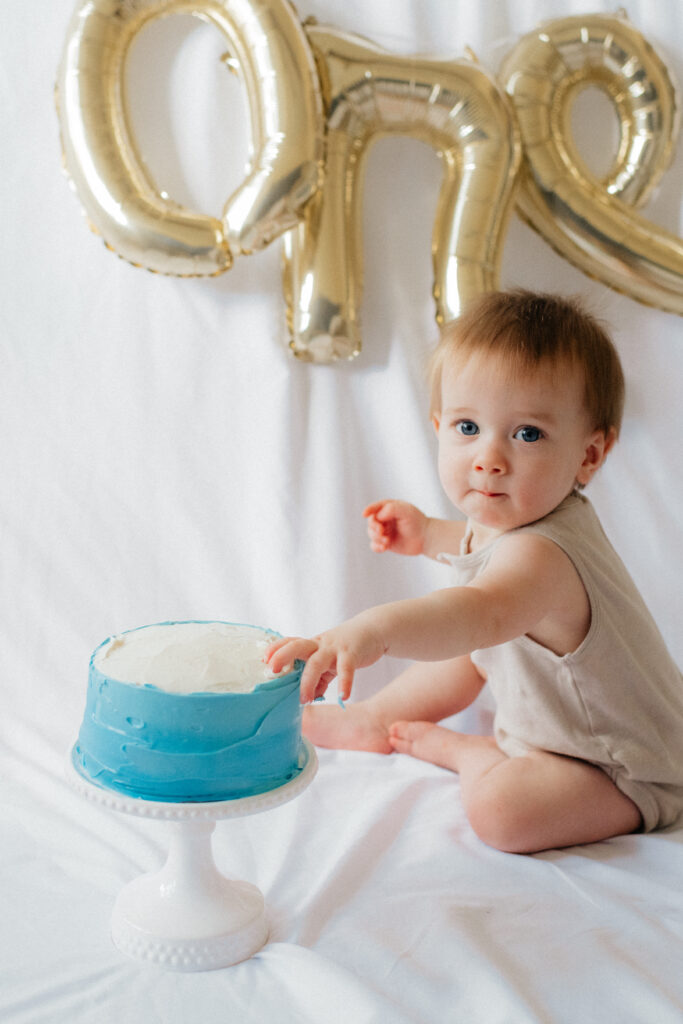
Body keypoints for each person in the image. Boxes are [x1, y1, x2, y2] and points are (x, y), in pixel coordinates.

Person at [266, 290, 683, 854]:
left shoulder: (544, 555)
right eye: (467, 428)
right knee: (476, 652)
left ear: (589, 455)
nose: (489, 457)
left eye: (527, 434)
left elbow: (481, 609)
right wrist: (426, 535)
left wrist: (372, 632)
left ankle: (473, 755)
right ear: (438, 425)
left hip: (621, 765)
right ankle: (374, 718)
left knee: (502, 813)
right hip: (558, 725)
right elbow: (481, 553)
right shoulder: (515, 522)